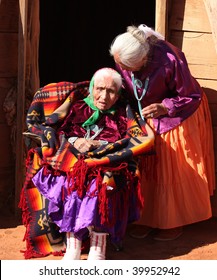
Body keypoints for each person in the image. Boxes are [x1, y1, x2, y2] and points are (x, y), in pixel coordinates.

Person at [109, 24, 215, 241]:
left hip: (179, 110)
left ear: (145, 58)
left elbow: (190, 95)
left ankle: (172, 222)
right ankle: (147, 218)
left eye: (129, 66)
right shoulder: (124, 56)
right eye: (121, 64)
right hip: (147, 113)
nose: (124, 69)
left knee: (170, 164)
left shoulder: (170, 59)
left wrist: (165, 106)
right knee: (145, 163)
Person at [30, 67, 146, 260]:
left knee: (99, 187)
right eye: (99, 89)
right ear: (92, 89)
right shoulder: (78, 108)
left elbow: (128, 140)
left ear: (117, 95)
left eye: (110, 91)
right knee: (71, 183)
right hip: (75, 162)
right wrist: (76, 142)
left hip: (107, 163)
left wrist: (99, 145)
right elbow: (62, 133)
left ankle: (98, 248)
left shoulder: (122, 114)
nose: (103, 96)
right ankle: (73, 246)